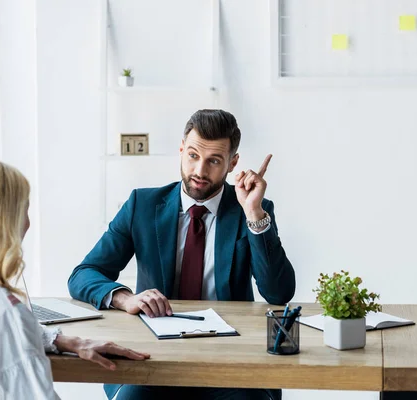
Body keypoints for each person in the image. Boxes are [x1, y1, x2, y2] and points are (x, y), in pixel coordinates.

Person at [68, 109, 295, 400]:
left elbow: (279, 293)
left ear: (232, 163)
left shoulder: (251, 211)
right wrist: (127, 298)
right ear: (180, 150)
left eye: (214, 160)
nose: (200, 170)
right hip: (152, 358)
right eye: (192, 155)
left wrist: (254, 213)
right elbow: (84, 274)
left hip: (231, 362)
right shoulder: (143, 204)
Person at [0, 159, 150, 399]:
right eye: (24, 209)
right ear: (5, 224)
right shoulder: (4, 315)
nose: (28, 223)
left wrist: (62, 340)